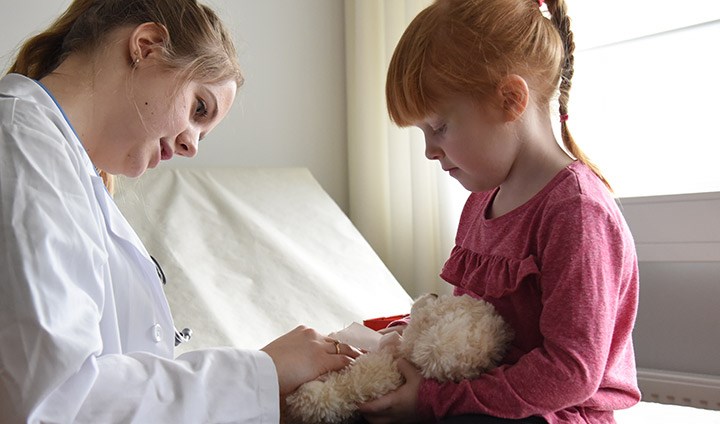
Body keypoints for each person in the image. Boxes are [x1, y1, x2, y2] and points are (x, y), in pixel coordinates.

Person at [0, 0, 359, 422]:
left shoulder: (61, 165)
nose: (191, 146)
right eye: (199, 108)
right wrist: (263, 371)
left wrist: (263, 392)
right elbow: (54, 402)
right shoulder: (21, 147)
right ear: (147, 46)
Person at [359, 0, 642, 423]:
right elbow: (468, 334)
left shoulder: (576, 212)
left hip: (556, 413)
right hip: (487, 398)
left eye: (438, 128)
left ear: (511, 99)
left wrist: (434, 400)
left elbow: (571, 372)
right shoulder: (481, 201)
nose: (428, 151)